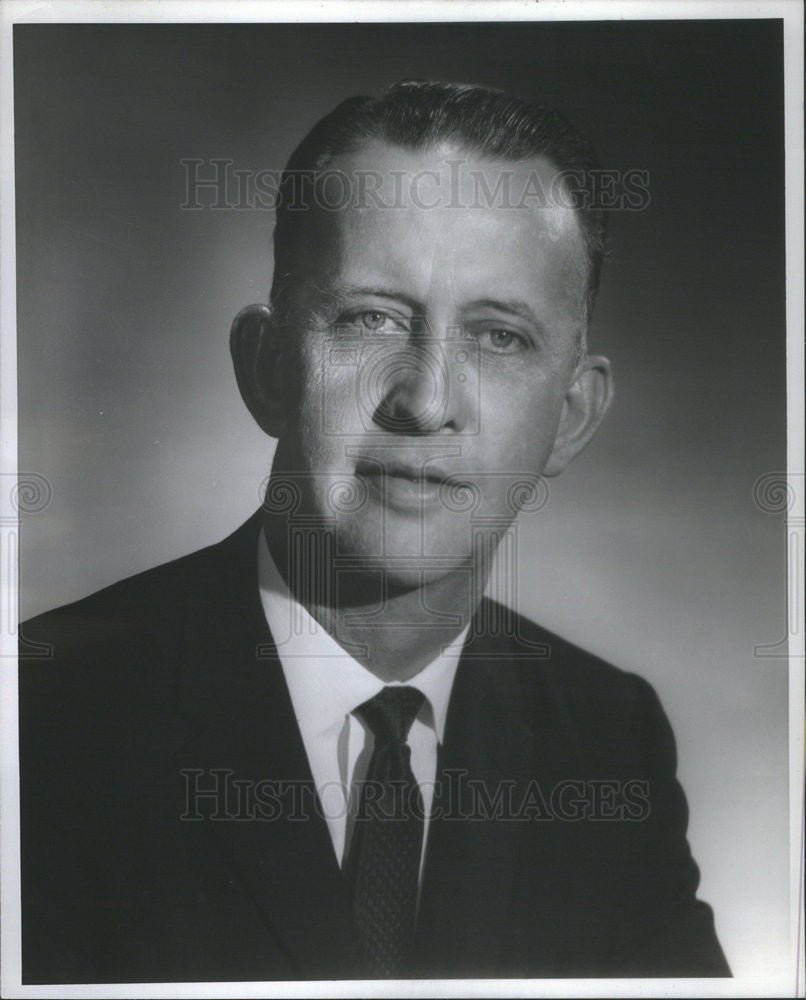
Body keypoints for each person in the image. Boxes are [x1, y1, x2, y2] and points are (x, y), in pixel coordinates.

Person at [18, 81, 730, 982]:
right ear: (268, 367)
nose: (426, 402)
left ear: (574, 416)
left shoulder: (606, 738)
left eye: (499, 337)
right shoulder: (43, 719)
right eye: (371, 320)